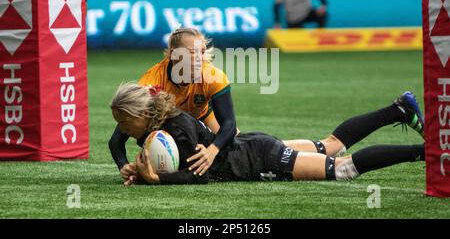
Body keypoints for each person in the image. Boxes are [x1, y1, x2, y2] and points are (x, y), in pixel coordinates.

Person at [111, 82, 425, 185]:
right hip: (249, 147)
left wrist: (155, 179)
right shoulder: (155, 127)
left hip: (259, 157)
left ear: (142, 115)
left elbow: (198, 174)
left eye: (124, 123)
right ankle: (398, 110)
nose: (122, 131)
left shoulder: (175, 126)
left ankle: (425, 152)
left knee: (342, 169)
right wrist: (137, 171)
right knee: (328, 146)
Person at [109, 28, 238, 184]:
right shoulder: (151, 82)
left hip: (202, 117)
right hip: (169, 125)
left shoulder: (214, 76)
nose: (199, 59)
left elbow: (229, 125)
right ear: (173, 54)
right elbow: (117, 138)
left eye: (202, 52)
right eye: (192, 53)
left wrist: (212, 151)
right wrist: (124, 166)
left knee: (235, 145)